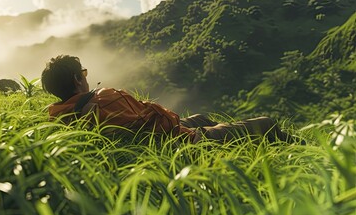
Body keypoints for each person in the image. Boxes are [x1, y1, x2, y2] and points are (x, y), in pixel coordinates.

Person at [41, 55, 301, 144]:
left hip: (148, 140)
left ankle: (232, 142)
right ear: (77, 79)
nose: (87, 77)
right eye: (83, 73)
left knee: (203, 117)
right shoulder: (106, 97)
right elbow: (158, 121)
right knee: (266, 123)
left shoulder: (58, 116)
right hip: (180, 142)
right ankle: (310, 153)